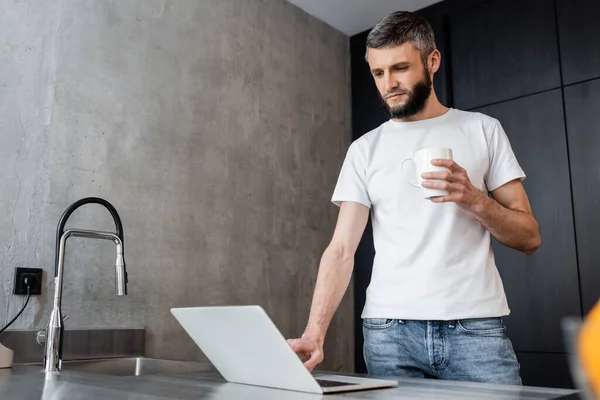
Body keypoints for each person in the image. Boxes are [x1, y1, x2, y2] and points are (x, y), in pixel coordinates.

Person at [287, 10, 541, 385]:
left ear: (432, 61)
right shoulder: (364, 149)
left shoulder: (483, 130)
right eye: (378, 73)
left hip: (475, 330)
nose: (388, 83)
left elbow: (529, 237)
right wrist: (314, 332)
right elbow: (341, 248)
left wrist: (474, 199)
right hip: (389, 334)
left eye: (400, 68)